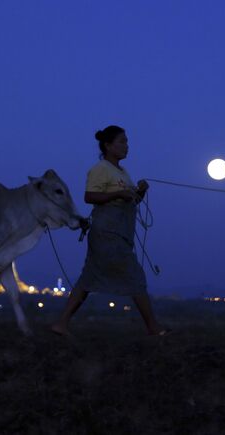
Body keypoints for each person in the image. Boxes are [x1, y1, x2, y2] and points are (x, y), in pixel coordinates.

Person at [51, 125, 170, 337]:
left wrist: (140, 192)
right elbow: (89, 196)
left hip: (119, 233)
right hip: (107, 233)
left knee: (87, 279)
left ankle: (61, 323)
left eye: (127, 142)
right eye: (122, 141)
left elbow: (129, 200)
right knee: (135, 277)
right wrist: (118, 194)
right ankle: (153, 327)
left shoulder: (122, 172)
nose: (127, 146)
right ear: (108, 145)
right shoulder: (101, 169)